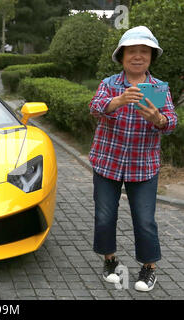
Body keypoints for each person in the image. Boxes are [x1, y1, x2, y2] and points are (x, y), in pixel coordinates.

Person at [88, 26, 178, 292]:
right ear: (122, 55)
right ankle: (110, 260)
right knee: (105, 216)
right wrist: (117, 101)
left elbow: (171, 122)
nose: (138, 56)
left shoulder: (160, 88)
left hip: (144, 165)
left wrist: (158, 119)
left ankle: (148, 269)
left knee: (145, 219)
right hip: (108, 161)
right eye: (132, 51)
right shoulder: (109, 84)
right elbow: (94, 107)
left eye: (144, 52)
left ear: (150, 57)